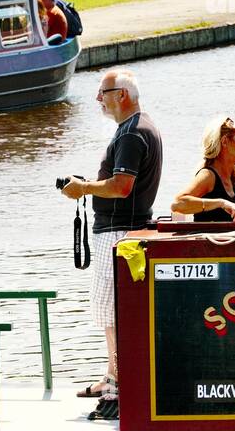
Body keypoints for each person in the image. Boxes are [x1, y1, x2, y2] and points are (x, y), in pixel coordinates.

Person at [60, 68, 162, 401]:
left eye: (103, 92)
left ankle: (118, 382)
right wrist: (88, 185)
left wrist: (83, 188)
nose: (97, 99)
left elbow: (121, 186)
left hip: (118, 231)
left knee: (109, 308)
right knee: (115, 307)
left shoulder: (131, 133)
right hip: (129, 226)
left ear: (122, 95)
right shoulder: (142, 126)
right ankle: (115, 375)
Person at [172, 116, 235, 223]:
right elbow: (177, 204)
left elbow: (224, 204)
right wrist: (221, 203)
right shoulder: (208, 175)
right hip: (207, 239)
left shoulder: (230, 174)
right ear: (225, 141)